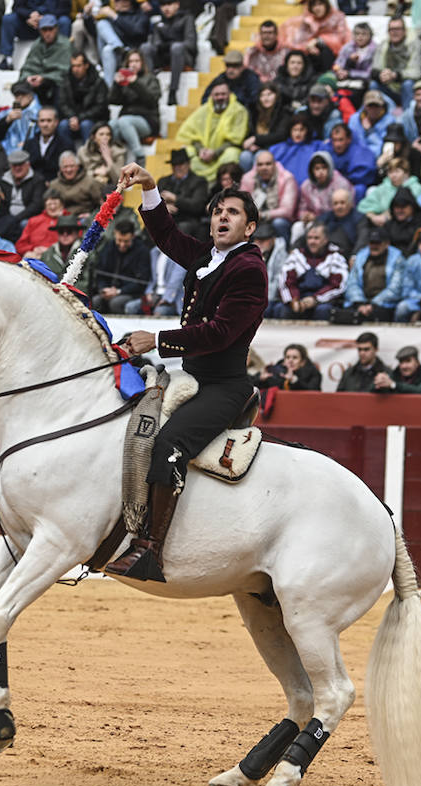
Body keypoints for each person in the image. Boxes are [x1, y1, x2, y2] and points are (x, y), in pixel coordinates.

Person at [106, 162, 267, 582]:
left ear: (249, 228)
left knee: (170, 442)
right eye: (217, 211)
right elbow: (166, 236)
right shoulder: (210, 257)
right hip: (192, 375)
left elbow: (219, 333)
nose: (221, 217)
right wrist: (150, 187)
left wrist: (156, 340)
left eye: (232, 212)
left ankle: (150, 550)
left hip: (224, 385)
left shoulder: (248, 269)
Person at [92, 218, 151, 314]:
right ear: (115, 234)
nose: (122, 245)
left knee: (115, 303)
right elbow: (100, 273)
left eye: (126, 241)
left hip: (130, 293)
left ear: (133, 236)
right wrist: (103, 289)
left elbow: (141, 282)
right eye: (119, 240)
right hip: (109, 290)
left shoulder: (142, 251)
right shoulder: (109, 247)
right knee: (96, 301)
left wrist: (118, 291)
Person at [256, 344, 320, 391]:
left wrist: (294, 380)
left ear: (302, 361)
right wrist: (261, 380)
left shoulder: (313, 373)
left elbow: (312, 392)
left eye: (295, 358)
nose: (290, 360)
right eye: (288, 357)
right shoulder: (278, 372)